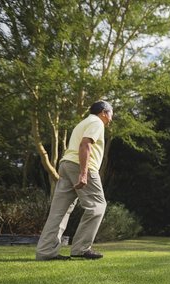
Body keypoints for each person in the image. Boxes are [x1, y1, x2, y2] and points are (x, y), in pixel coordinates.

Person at [35, 100, 113, 261]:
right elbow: (85, 145)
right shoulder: (96, 122)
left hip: (66, 165)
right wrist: (84, 174)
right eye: (111, 113)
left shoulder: (83, 122)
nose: (112, 117)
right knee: (97, 206)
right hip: (81, 166)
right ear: (104, 112)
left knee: (59, 211)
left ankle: (45, 252)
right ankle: (81, 248)